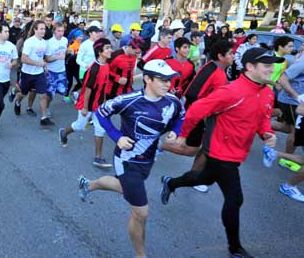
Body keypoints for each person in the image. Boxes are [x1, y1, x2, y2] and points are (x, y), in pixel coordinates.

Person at [160, 47, 281, 258]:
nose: (272, 70)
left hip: (238, 151)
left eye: (272, 65)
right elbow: (196, 109)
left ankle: (170, 183)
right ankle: (235, 249)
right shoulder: (231, 91)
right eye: (267, 65)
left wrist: (267, 133)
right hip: (220, 152)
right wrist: (183, 136)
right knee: (235, 200)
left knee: (204, 179)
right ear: (250, 67)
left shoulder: (267, 91)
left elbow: (262, 117)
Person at [77, 59, 184, 258]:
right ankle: (140, 255)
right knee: (141, 212)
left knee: (123, 187)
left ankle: (88, 185)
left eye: (170, 79)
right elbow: (100, 113)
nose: (168, 84)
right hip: (127, 160)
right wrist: (117, 137)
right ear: (147, 79)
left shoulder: (173, 101)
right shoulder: (129, 100)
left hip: (148, 160)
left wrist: (175, 133)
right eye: (162, 79)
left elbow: (180, 117)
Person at [160, 41, 234, 192]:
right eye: (231, 53)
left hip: (201, 115)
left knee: (206, 149)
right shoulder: (216, 72)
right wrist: (204, 116)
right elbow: (193, 93)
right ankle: (157, 146)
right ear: (221, 56)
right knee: (193, 150)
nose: (234, 56)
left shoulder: (212, 66)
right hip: (199, 116)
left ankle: (193, 178)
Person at [59, 38, 114, 168]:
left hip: (99, 104)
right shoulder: (94, 69)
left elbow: (104, 86)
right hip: (87, 104)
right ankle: (64, 132)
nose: (110, 50)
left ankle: (98, 157)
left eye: (110, 47)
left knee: (100, 128)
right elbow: (87, 90)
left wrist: (104, 102)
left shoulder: (106, 65)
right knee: (79, 126)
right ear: (100, 52)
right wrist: (85, 108)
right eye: (107, 48)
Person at [13, 20, 55, 126]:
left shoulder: (44, 43)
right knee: (23, 93)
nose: (43, 31)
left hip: (39, 74)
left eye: (44, 29)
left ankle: (44, 118)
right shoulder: (29, 42)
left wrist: (45, 65)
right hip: (27, 73)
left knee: (43, 95)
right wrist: (38, 64)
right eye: (41, 29)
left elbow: (44, 57)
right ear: (35, 30)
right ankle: (17, 102)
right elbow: (23, 58)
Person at [44, 22, 68, 117]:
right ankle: (46, 108)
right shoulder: (49, 43)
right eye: (58, 31)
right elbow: (47, 59)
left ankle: (46, 102)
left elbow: (64, 52)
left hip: (61, 70)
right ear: (54, 31)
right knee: (50, 93)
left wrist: (67, 53)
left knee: (62, 91)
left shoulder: (65, 40)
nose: (61, 33)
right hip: (51, 71)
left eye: (62, 31)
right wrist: (58, 57)